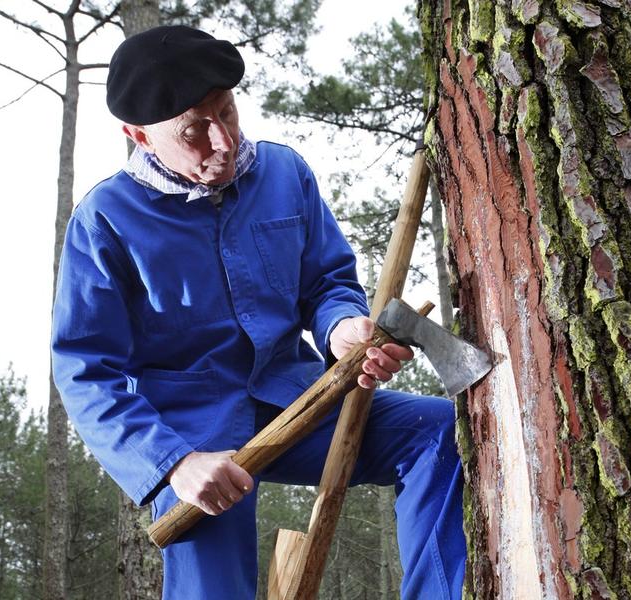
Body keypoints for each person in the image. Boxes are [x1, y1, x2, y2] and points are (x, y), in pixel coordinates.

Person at [51, 25, 466, 599]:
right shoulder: (105, 221)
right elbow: (85, 371)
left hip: (296, 401)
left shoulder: (283, 174)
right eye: (195, 129)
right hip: (195, 442)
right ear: (138, 136)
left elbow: (326, 282)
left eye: (227, 113)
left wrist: (344, 327)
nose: (222, 142)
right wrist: (173, 464)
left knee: (437, 433)